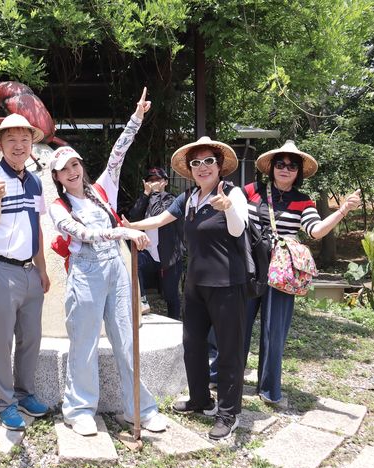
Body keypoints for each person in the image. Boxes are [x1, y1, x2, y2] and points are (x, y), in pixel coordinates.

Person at [48, 89, 168, 436]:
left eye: (75, 164)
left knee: (126, 338)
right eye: (63, 169)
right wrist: (122, 234)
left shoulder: (101, 189)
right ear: (56, 177)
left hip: (116, 270)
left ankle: (140, 408)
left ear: (81, 166)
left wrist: (136, 119)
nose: (71, 171)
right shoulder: (59, 208)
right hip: (85, 273)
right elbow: (80, 234)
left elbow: (118, 154)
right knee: (83, 340)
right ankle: (79, 409)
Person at [124, 136, 248, 440]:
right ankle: (200, 399)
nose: (203, 167)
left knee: (229, 349)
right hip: (194, 285)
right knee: (192, 345)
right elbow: (160, 220)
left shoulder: (233, 194)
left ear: (219, 166)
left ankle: (228, 413)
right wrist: (129, 226)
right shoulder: (189, 198)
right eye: (196, 163)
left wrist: (228, 207)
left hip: (228, 285)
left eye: (209, 161)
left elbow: (238, 228)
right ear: (189, 170)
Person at [243, 140, 362, 404]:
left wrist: (343, 209)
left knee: (275, 332)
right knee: (237, 325)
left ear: (298, 172)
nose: (285, 169)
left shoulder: (303, 201)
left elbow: (316, 231)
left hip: (282, 271)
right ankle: (224, 377)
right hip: (250, 266)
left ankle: (269, 389)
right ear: (271, 167)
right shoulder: (252, 191)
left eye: (292, 165)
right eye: (281, 164)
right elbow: (231, 213)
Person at [0, 113, 51, 431]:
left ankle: (24, 393)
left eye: (25, 140)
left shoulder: (35, 180)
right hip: (0, 271)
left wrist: (43, 270)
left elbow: (37, 227)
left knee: (31, 338)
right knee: (1, 341)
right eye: (12, 140)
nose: (19, 146)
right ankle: (5, 403)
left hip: (30, 271)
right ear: (1, 144)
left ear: (31, 143)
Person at [126, 166, 184, 319]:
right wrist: (146, 194)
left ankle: (175, 323)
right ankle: (142, 300)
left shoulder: (171, 199)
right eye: (150, 180)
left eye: (157, 180)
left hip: (169, 257)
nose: (153, 183)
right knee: (133, 261)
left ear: (165, 182)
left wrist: (156, 192)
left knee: (171, 296)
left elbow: (159, 217)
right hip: (150, 254)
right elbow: (133, 217)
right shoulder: (147, 198)